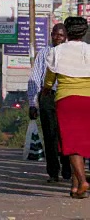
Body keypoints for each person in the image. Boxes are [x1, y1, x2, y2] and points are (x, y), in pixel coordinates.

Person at [42, 17, 90, 199]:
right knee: (81, 141)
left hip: (66, 101)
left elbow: (49, 78)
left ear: (67, 33)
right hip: (88, 100)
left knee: (70, 143)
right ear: (84, 32)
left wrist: (46, 90)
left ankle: (82, 180)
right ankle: (75, 188)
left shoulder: (58, 52)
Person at [27, 23, 71, 183]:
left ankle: (68, 167)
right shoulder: (44, 53)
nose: (57, 38)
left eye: (61, 35)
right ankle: (53, 172)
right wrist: (33, 103)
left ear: (66, 37)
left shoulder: (69, 53)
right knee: (49, 135)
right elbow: (35, 79)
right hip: (47, 96)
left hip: (66, 96)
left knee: (65, 134)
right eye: (55, 34)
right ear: (51, 35)